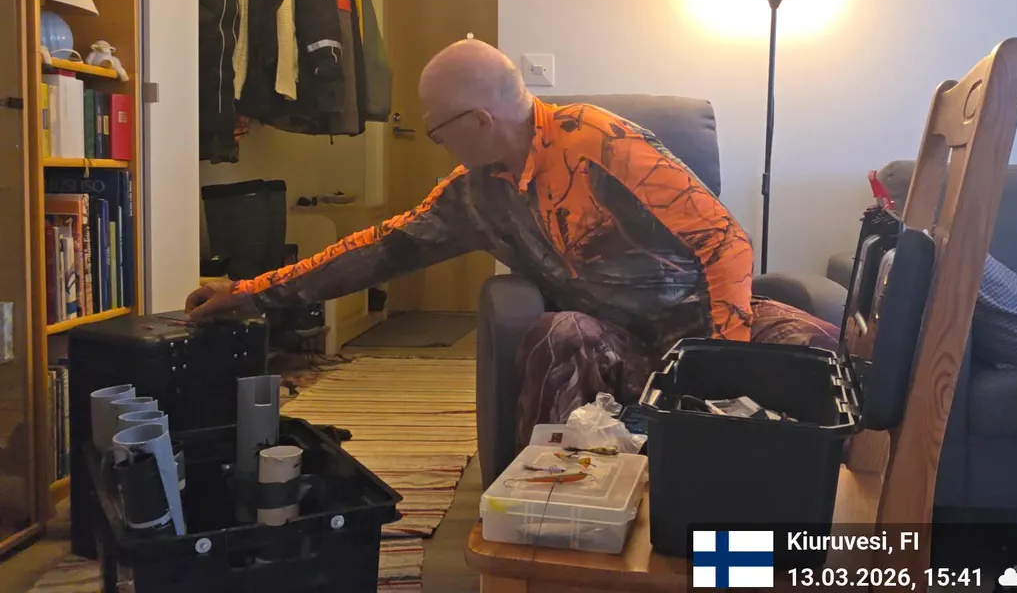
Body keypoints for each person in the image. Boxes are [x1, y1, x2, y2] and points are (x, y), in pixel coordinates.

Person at [186, 39, 837, 445]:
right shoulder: (475, 195)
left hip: (701, 327)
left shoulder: (601, 143)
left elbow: (725, 242)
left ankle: (800, 532)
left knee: (823, 354)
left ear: (478, 121)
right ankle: (552, 523)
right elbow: (380, 247)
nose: (438, 145)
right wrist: (250, 293)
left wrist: (725, 360)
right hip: (609, 344)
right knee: (557, 334)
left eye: (438, 132)